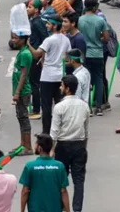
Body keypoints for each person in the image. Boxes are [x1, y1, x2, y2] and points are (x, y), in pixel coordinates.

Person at [51, 75, 89, 212]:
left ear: (67, 88)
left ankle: (60, 207)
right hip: (79, 145)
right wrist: (84, 146)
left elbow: (54, 131)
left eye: (62, 85)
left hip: (62, 146)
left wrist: (51, 150)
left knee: (61, 180)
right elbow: (86, 129)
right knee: (79, 181)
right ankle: (77, 209)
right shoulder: (84, 106)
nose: (60, 87)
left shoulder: (59, 107)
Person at [34, 14, 70, 132]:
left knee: (46, 107)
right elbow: (67, 58)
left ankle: (46, 132)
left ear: (54, 26)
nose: (46, 25)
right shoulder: (66, 39)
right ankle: (59, 130)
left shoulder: (48, 40)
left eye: (48, 23)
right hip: (60, 77)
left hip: (47, 77)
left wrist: (27, 44)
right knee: (60, 106)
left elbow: (36, 54)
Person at [19, 133, 71, 212]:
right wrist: (68, 210)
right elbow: (63, 191)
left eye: (36, 144)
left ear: (40, 148)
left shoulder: (30, 166)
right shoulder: (59, 166)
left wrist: (22, 210)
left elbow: (25, 191)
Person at [78, 0, 109, 116]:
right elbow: (106, 38)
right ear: (95, 7)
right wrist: (99, 38)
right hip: (98, 53)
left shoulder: (80, 20)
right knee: (98, 79)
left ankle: (88, 107)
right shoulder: (100, 20)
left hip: (85, 53)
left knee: (86, 80)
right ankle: (99, 107)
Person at [10, 31, 35, 155]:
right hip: (20, 91)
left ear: (23, 40)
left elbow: (24, 74)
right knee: (20, 117)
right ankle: (22, 144)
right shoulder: (22, 52)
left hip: (23, 91)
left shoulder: (25, 54)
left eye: (16, 38)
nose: (13, 41)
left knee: (24, 118)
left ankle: (28, 147)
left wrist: (17, 92)